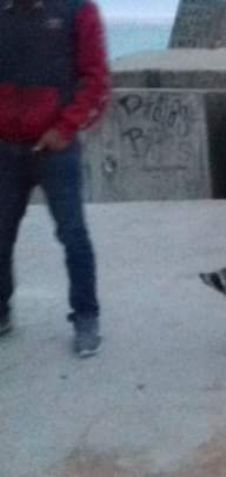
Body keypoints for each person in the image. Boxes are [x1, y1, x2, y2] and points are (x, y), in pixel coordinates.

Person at [0, 0, 110, 357]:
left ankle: (85, 317)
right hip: (5, 148)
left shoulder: (78, 11)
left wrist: (65, 129)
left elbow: (96, 79)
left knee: (73, 234)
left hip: (56, 148)